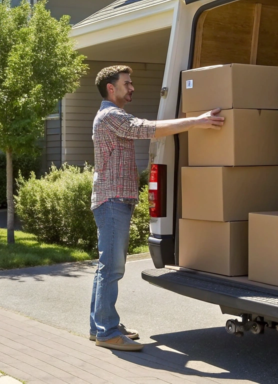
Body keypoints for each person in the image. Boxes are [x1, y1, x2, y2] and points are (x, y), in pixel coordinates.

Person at [90, 65, 224, 351]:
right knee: (112, 268)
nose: (132, 87)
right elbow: (148, 129)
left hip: (115, 199)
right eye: (127, 83)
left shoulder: (112, 115)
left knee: (107, 267)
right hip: (112, 201)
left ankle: (99, 325)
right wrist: (196, 121)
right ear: (111, 88)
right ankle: (106, 332)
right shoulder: (111, 116)